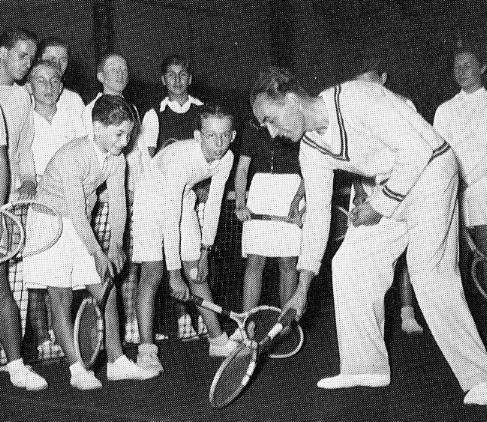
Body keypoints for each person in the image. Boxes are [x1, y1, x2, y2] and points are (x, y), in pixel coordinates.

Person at [250, 66, 487, 405]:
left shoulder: (356, 98)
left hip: (433, 171)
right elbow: (318, 216)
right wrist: (302, 287)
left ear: (290, 100)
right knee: (350, 261)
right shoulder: (311, 149)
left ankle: (481, 377)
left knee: (428, 273)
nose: (273, 133)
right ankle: (365, 366)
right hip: (392, 183)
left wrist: (378, 204)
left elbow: (417, 151)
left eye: (271, 119)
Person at [23, 94, 159, 390]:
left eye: (129, 135)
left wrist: (116, 245)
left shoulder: (117, 159)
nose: (125, 141)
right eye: (119, 134)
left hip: (78, 224)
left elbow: (119, 204)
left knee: (106, 289)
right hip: (48, 223)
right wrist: (98, 251)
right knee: (60, 298)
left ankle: (117, 362)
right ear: (97, 127)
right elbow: (75, 210)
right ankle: (77, 369)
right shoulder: (73, 155)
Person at [132, 104, 237, 372]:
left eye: (225, 135)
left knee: (197, 273)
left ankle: (218, 341)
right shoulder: (181, 158)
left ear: (233, 136)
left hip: (183, 197)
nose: (219, 143)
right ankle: (146, 352)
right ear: (198, 136)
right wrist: (174, 274)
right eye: (211, 136)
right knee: (153, 272)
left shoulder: (227, 158)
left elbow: (213, 205)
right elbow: (171, 217)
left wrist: (205, 252)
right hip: (150, 199)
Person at [138, 54, 205, 340]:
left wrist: (202, 187)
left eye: (183, 74)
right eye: (171, 75)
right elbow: (150, 160)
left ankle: (202, 317)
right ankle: (181, 318)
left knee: (197, 261)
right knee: (166, 259)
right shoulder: (154, 114)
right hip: (165, 200)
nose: (177, 80)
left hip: (196, 199)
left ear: (190, 79)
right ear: (163, 80)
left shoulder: (204, 111)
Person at [352, 65, 423, 334]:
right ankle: (369, 327)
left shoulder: (404, 105)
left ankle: (407, 313)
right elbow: (353, 161)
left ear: (383, 79)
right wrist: (360, 191)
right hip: (369, 194)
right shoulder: (354, 113)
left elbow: (414, 154)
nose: (367, 91)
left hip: (402, 193)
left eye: (371, 83)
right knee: (364, 265)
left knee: (404, 256)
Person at [26, 59, 86, 358]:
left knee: (70, 282)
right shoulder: (24, 121)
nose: (48, 87)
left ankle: (68, 342)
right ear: (30, 87)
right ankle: (42, 341)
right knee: (34, 281)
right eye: (41, 80)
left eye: (54, 81)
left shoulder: (74, 119)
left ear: (61, 87)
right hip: (38, 210)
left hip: (73, 211)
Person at [83, 52, 141, 344]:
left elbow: (135, 156)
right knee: (100, 268)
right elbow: (92, 157)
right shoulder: (90, 111)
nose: (120, 72)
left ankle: (130, 323)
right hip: (101, 203)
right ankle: (102, 333)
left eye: (123, 68)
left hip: (129, 199)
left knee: (126, 263)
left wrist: (134, 191)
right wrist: (106, 193)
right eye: (112, 68)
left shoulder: (132, 110)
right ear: (100, 76)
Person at [0, 27, 47, 391]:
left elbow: (20, 149)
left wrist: (28, 179)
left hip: (10, 197)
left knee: (7, 281)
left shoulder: (21, 97)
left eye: (31, 57)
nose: (27, 64)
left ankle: (15, 363)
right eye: (22, 55)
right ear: (2, 53)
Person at [234, 118, 302, 316]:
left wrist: (298, 198)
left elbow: (311, 169)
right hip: (260, 194)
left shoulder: (297, 123)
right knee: (254, 261)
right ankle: (246, 323)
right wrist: (240, 203)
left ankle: (286, 325)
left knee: (288, 263)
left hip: (291, 191)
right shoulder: (252, 127)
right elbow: (242, 169)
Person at [433, 46, 487, 280]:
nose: (461, 71)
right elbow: (440, 154)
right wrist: (453, 183)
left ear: (482, 68)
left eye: (467, 65)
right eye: (457, 67)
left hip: (482, 189)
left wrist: (467, 179)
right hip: (452, 193)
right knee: (457, 266)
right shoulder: (444, 110)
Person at [37, 36, 85, 124]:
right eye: (52, 60)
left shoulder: (73, 100)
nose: (58, 65)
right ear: (39, 60)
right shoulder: (25, 97)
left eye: (63, 60)